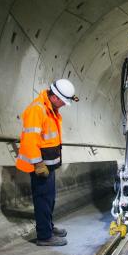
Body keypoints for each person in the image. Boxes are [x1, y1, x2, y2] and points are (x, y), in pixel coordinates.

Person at [16, 79, 79, 246]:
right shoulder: (37, 110)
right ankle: (44, 236)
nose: (64, 105)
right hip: (40, 166)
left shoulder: (50, 108)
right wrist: (38, 164)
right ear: (55, 97)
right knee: (43, 199)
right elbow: (30, 141)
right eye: (64, 102)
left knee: (49, 198)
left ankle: (48, 227)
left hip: (48, 165)